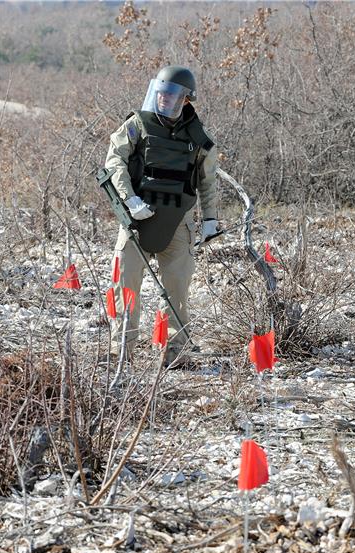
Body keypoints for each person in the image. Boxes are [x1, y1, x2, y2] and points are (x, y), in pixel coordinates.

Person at [104, 65, 218, 366]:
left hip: (177, 221)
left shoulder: (199, 138)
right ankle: (122, 350)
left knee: (177, 286)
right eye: (161, 94)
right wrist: (130, 199)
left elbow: (207, 180)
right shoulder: (137, 124)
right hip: (136, 219)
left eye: (172, 96)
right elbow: (114, 161)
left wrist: (210, 219)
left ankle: (175, 352)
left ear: (186, 100)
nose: (164, 100)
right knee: (125, 283)